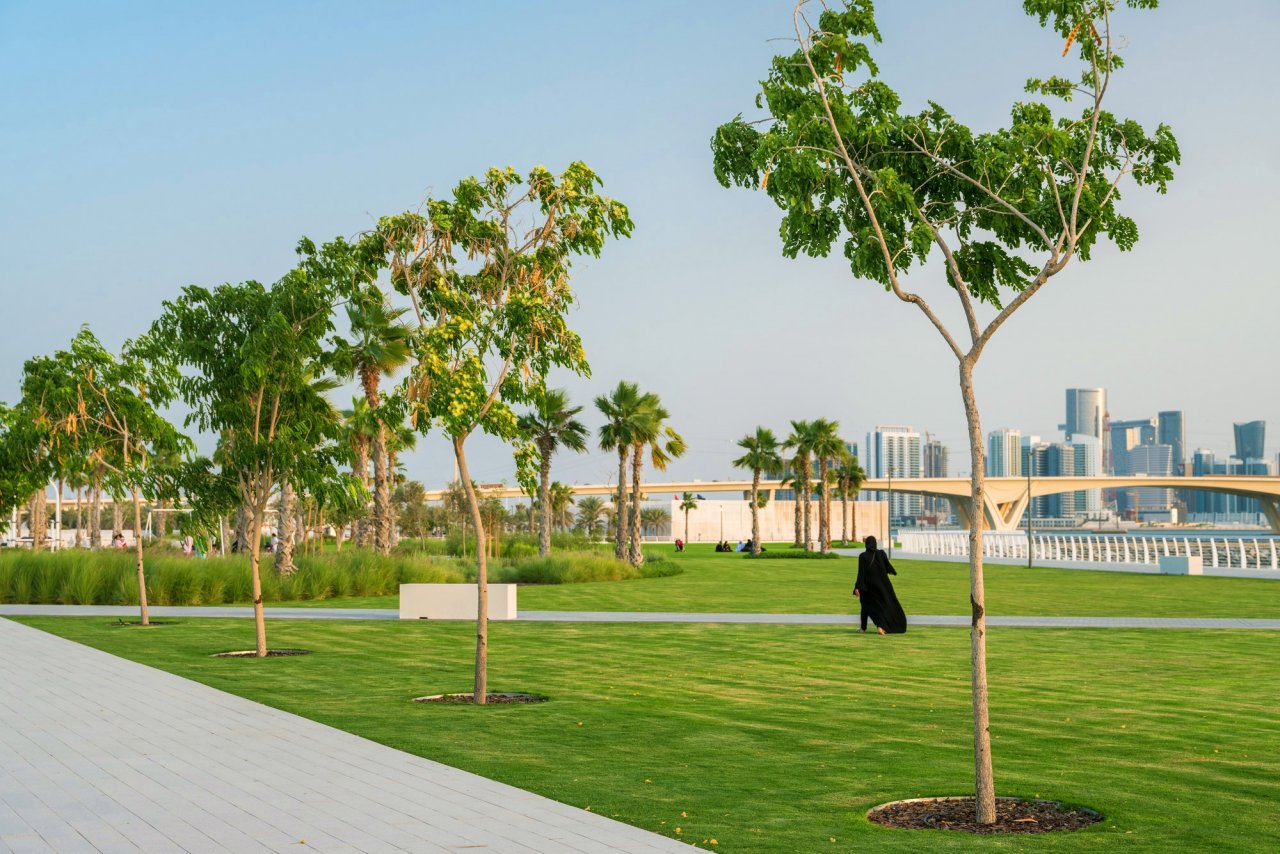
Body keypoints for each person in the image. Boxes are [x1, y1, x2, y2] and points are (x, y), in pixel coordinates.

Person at [853, 535, 907, 634]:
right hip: (883, 585)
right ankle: (880, 627)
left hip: (869, 587)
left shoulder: (863, 556)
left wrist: (857, 587)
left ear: (866, 544)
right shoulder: (881, 554)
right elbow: (887, 567)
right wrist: (892, 571)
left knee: (865, 606)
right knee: (883, 606)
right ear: (875, 544)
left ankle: (864, 628)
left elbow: (861, 574)